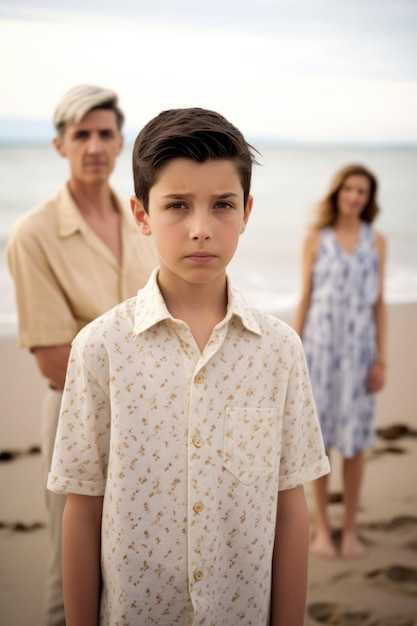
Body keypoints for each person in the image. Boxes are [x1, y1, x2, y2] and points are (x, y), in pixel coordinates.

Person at [47, 107, 330, 626]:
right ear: (141, 214)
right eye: (177, 205)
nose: (201, 229)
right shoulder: (100, 348)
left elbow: (290, 506)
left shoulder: (279, 349)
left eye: (222, 205)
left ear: (246, 212)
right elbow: (83, 509)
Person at [7, 84, 157, 626]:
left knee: (143, 559)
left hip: (159, 414)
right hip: (78, 416)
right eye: (81, 135)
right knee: (71, 574)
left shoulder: (145, 219)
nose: (95, 146)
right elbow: (52, 359)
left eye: (105, 134)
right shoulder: (33, 235)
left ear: (121, 144)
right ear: (59, 145)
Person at [293, 164, 387, 560]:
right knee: (322, 442)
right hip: (319, 351)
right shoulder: (317, 238)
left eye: (362, 191)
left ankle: (350, 529)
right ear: (338, 193)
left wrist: (380, 359)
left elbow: (379, 303)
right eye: (349, 189)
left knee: (354, 444)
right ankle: (323, 532)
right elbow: (306, 297)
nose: (354, 196)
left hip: (358, 353)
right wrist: (295, 353)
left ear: (368, 199)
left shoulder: (376, 241)